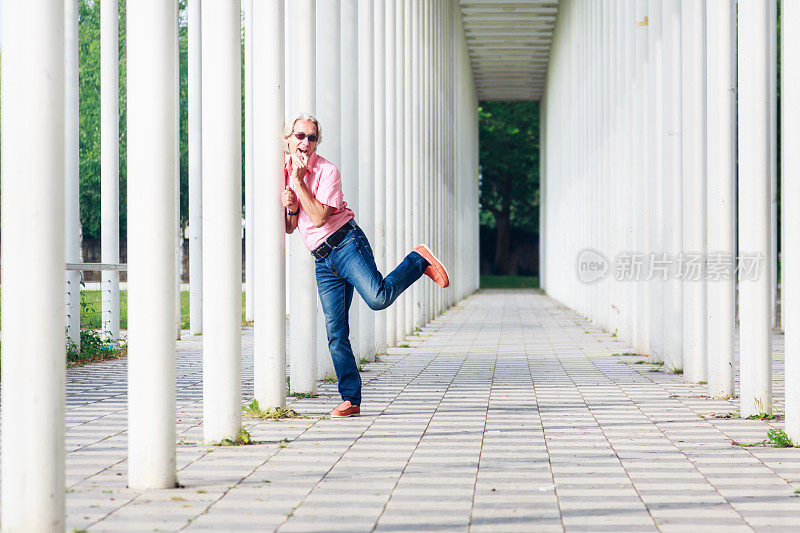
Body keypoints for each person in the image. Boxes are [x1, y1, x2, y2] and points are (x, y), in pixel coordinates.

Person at [280, 113, 449, 418]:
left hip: (346, 244)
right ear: (287, 138)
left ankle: (418, 259)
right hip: (321, 259)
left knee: (379, 297)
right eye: (300, 136)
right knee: (335, 331)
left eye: (312, 137)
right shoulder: (280, 170)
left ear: (318, 142)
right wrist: (291, 208)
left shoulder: (327, 171)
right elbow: (292, 226)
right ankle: (351, 399)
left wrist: (298, 184)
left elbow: (319, 217)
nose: (305, 143)